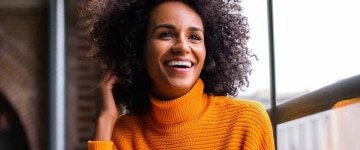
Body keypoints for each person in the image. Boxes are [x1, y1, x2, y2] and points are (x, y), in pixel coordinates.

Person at [84, 0, 275, 149]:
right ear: (137, 50)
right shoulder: (121, 134)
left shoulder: (247, 121)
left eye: (194, 37)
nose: (183, 47)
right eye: (166, 34)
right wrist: (105, 119)